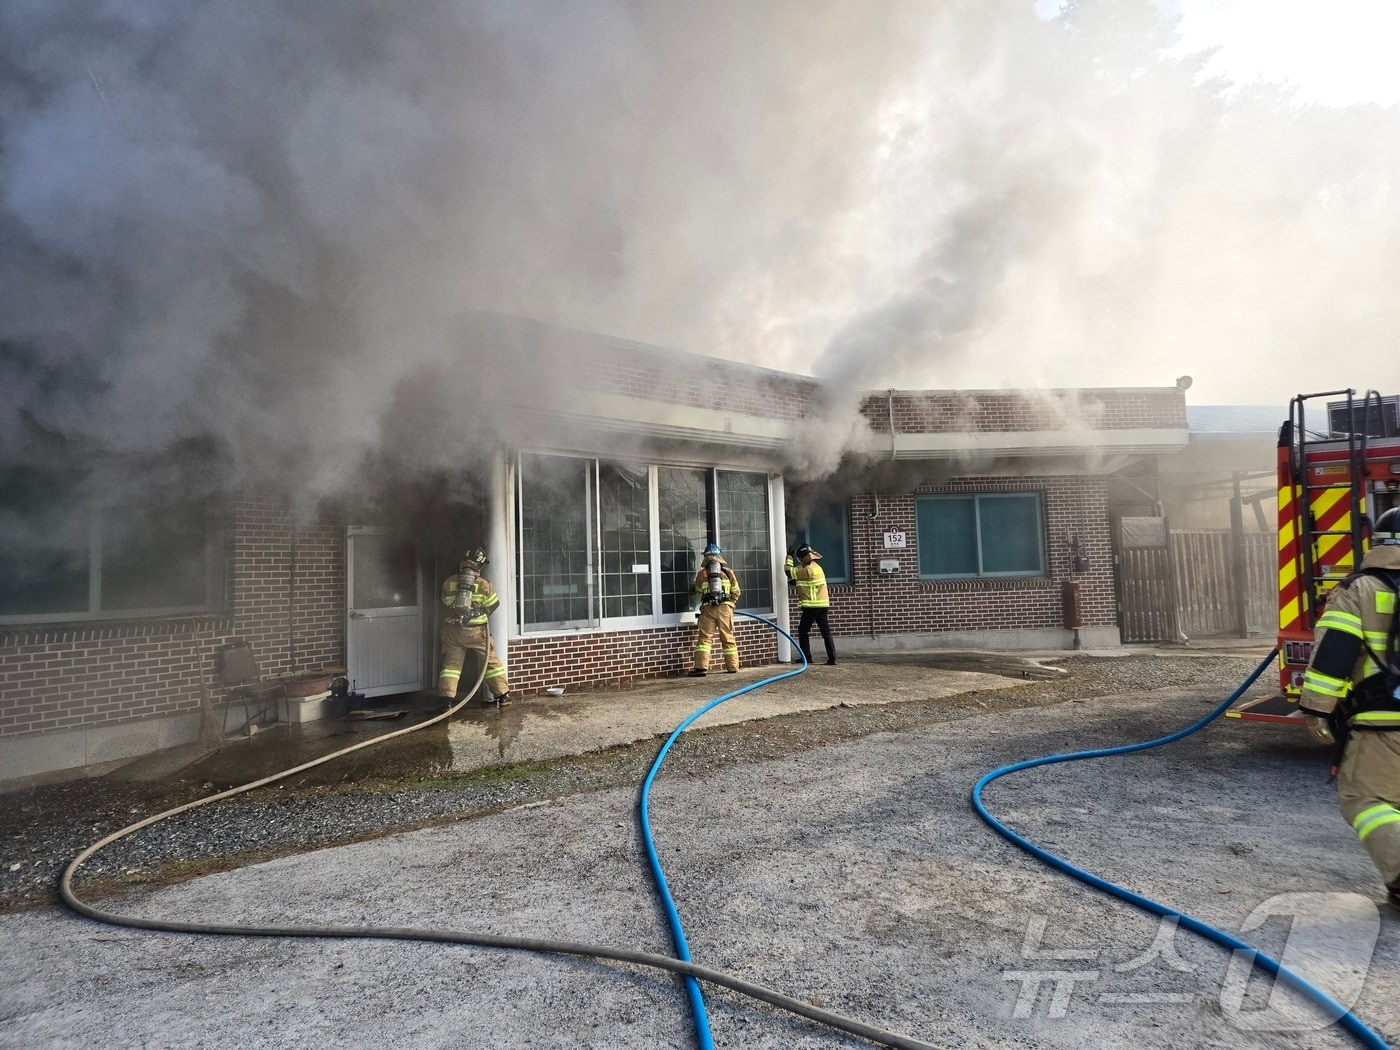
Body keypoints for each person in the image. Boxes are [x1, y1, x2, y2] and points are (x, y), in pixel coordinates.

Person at [1297, 506, 1400, 904]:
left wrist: (1318, 710)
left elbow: (1334, 657)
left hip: (1382, 722)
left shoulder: (1359, 590)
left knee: (1367, 800)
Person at [438, 547, 512, 707]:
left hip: (453, 632)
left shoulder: (449, 582)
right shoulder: (484, 585)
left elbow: (444, 602)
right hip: (477, 632)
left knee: (451, 666)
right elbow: (493, 605)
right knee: (491, 663)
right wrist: (477, 612)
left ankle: (446, 699)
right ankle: (503, 695)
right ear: (479, 565)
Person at [688, 542, 740, 676]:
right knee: (727, 637)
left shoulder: (702, 573)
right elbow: (736, 591)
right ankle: (733, 667)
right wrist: (730, 604)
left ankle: (701, 668)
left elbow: (698, 590)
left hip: (708, 608)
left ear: (705, 556)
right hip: (725, 608)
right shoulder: (728, 572)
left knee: (705, 639)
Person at [785, 542, 836, 665]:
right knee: (825, 632)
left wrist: (789, 558)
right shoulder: (816, 567)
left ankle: (806, 657)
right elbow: (799, 580)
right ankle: (832, 658)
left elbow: (789, 572)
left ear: (802, 557)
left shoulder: (808, 570)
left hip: (812, 606)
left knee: (803, 631)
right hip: (823, 605)